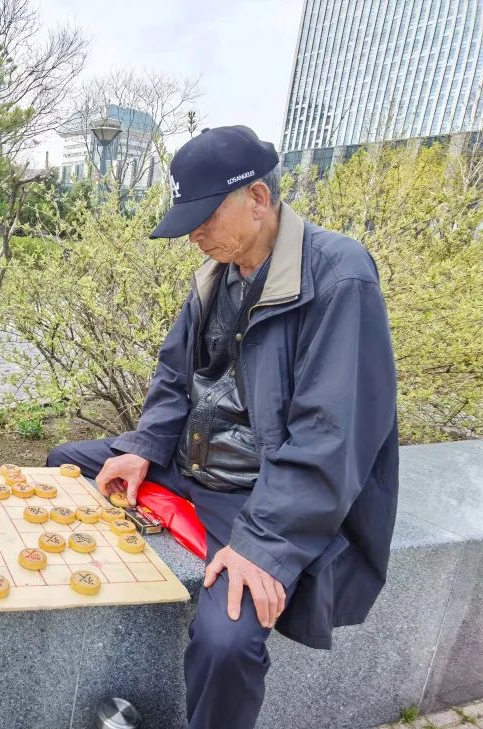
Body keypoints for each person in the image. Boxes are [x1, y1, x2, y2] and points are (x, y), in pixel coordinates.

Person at [47, 126, 398, 729]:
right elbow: (174, 378)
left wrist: (262, 546)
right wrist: (141, 448)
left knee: (226, 642)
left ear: (258, 199)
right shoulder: (218, 273)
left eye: (205, 216)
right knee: (66, 461)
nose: (194, 234)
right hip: (193, 464)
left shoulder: (340, 275)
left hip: (261, 495)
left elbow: (332, 434)